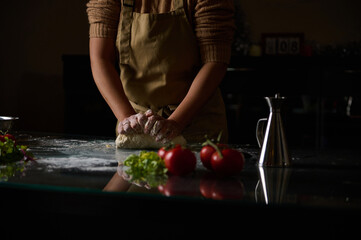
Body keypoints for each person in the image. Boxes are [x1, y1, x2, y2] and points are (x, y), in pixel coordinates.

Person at [86, 0, 235, 143]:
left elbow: (214, 62)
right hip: (134, 117)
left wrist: (176, 122)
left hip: (196, 126)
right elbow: (100, 59)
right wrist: (128, 119)